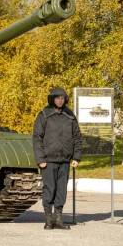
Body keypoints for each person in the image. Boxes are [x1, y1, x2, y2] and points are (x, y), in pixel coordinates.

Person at [33, 86, 82, 230]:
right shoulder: (44, 115)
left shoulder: (70, 116)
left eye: (62, 98)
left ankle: (58, 220)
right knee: (49, 189)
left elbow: (77, 137)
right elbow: (37, 138)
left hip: (65, 160)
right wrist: (40, 158)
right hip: (48, 161)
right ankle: (48, 220)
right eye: (57, 98)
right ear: (52, 99)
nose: (60, 101)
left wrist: (77, 156)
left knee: (61, 190)